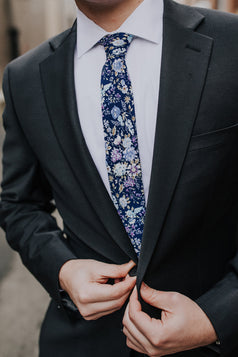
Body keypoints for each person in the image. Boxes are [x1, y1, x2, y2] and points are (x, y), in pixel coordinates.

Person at [1, 0, 238, 356]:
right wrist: (62, 269)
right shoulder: (24, 78)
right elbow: (19, 204)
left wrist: (219, 316)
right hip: (84, 342)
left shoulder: (231, 44)